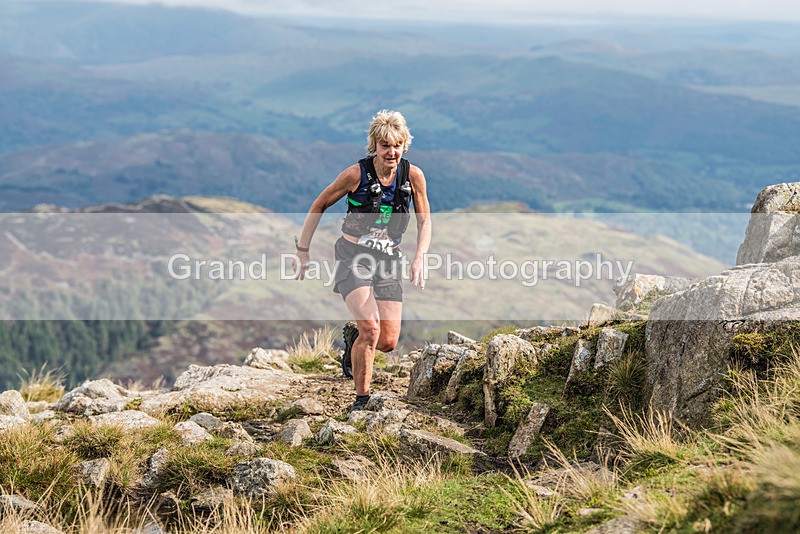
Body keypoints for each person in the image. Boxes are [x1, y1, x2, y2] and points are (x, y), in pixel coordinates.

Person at [294, 110, 431, 411]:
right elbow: (319, 203)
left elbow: (425, 220)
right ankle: (361, 400)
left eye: (397, 145)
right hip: (353, 256)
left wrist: (420, 256)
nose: (391, 152)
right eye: (385, 145)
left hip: (388, 259)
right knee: (372, 328)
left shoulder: (413, 176)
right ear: (375, 146)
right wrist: (303, 250)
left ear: (404, 145)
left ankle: (354, 338)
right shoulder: (356, 174)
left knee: (387, 341)